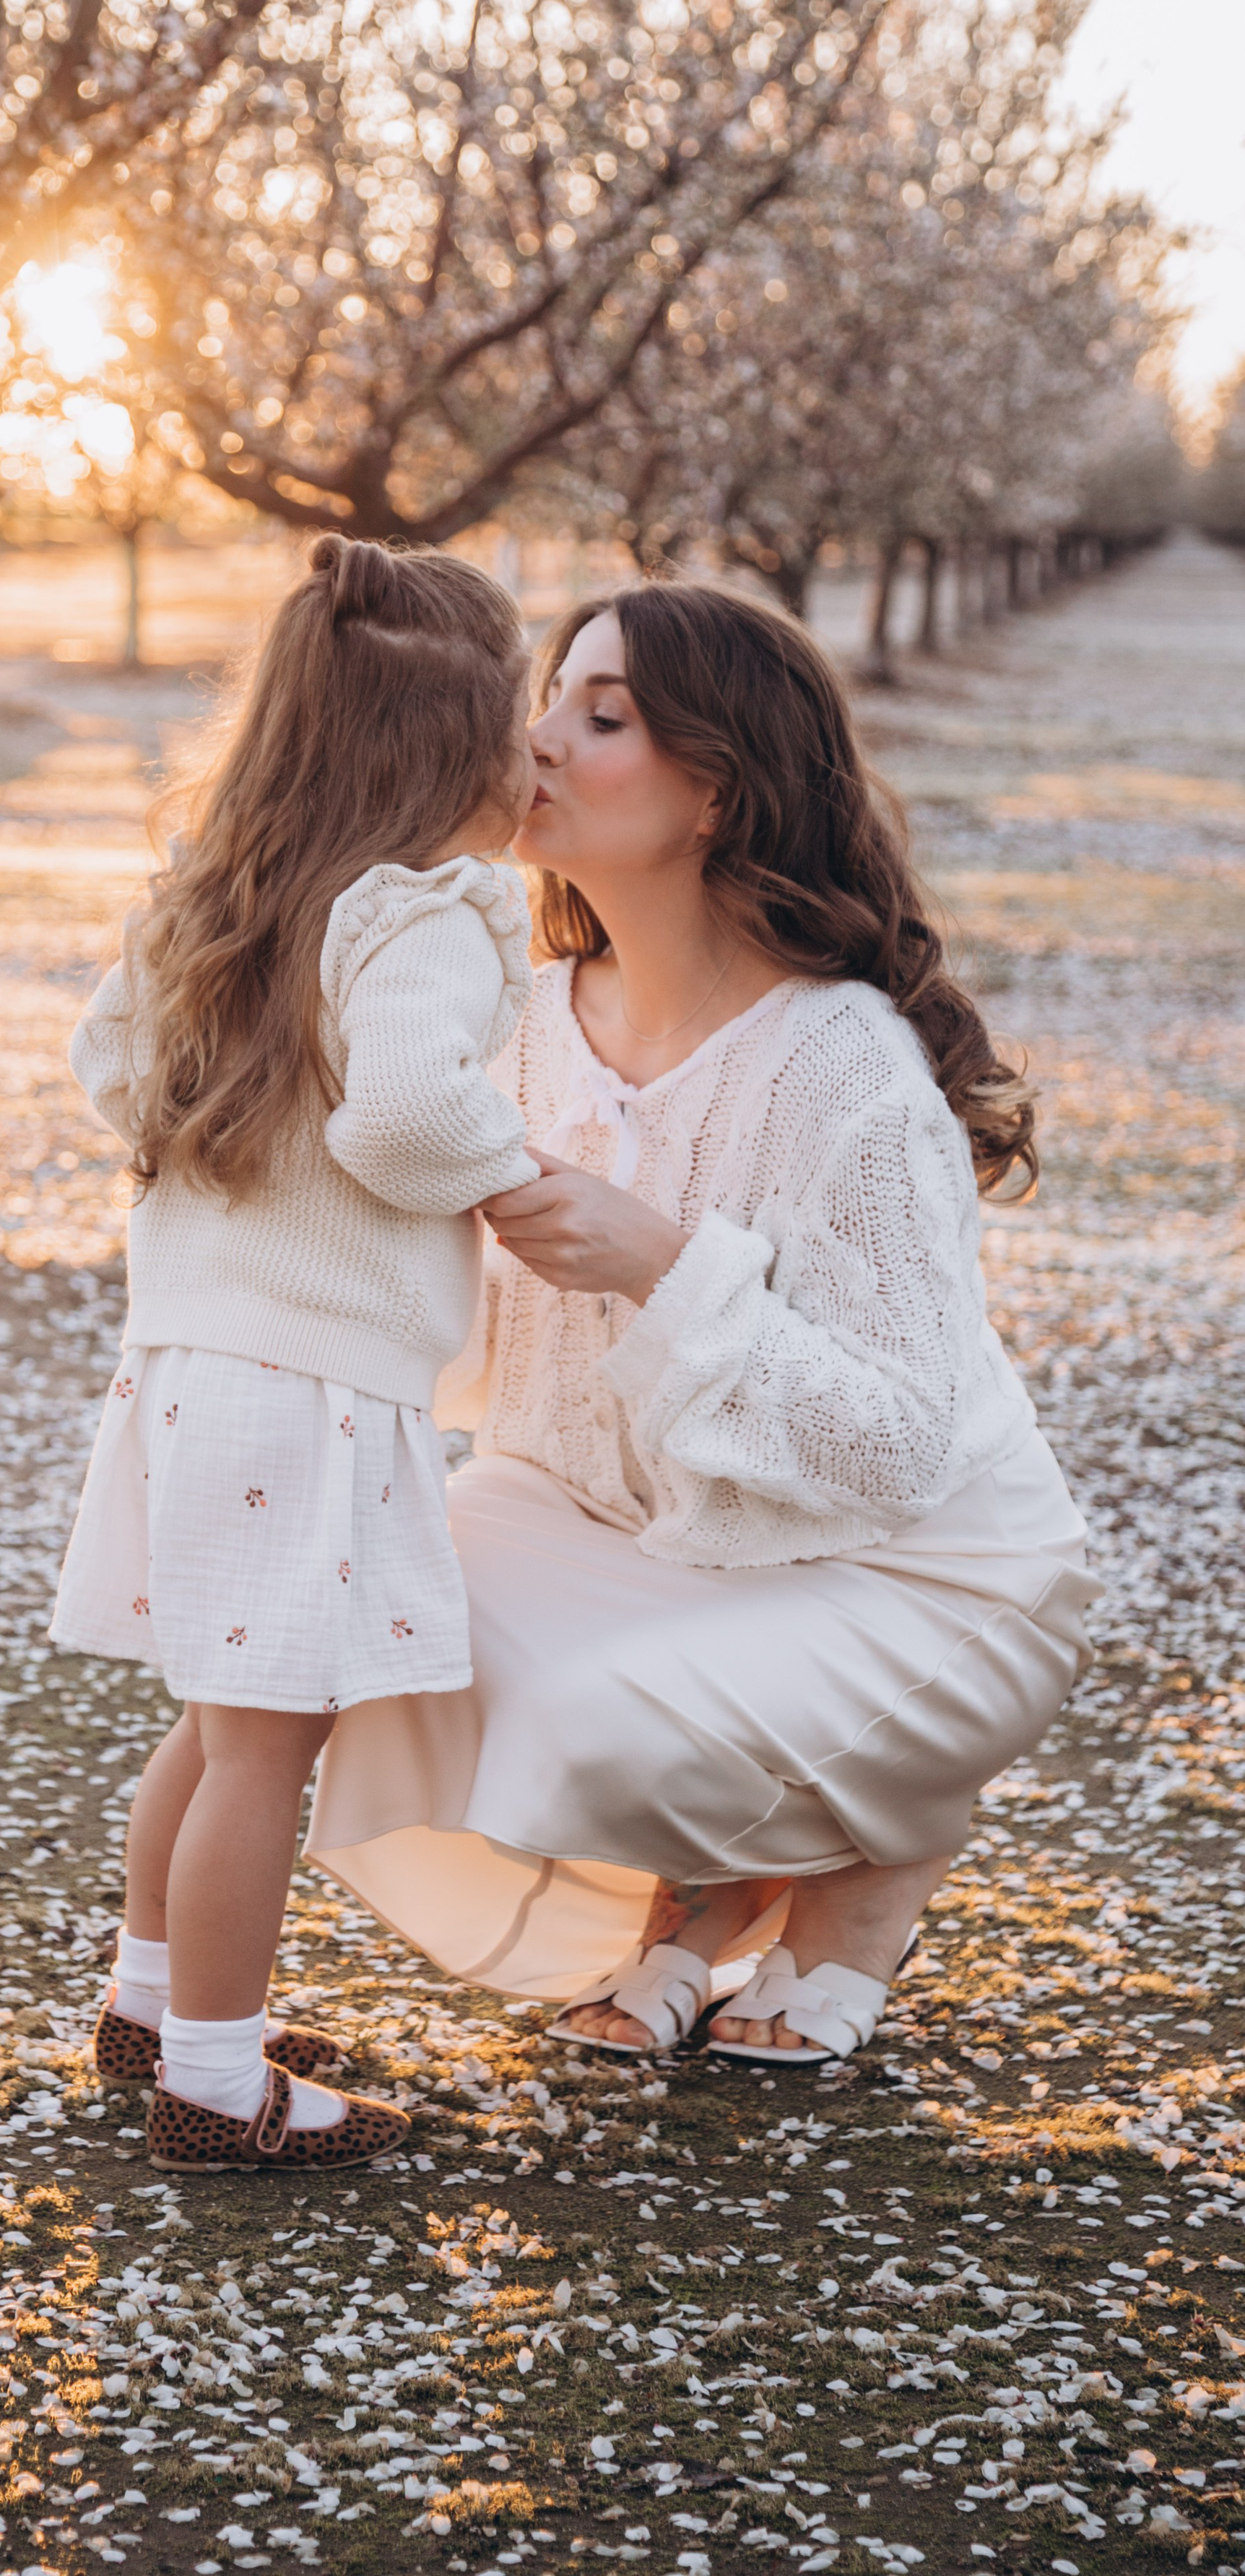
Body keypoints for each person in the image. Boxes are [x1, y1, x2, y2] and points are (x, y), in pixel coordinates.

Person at [307, 579, 1098, 2067]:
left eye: (597, 717)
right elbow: (468, 1332)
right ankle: (724, 1875)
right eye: (546, 698)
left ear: (714, 794)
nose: (533, 740)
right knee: (362, 1609)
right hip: (623, 1525)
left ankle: (874, 1857)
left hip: (915, 1569)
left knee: (589, 1726)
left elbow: (890, 1443)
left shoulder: (842, 1065)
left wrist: (662, 1265)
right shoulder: (519, 1014)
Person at [51, 533, 542, 2166]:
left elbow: (106, 1064)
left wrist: (234, 1145)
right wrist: (511, 1172)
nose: (537, 752)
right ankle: (212, 2078)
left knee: (216, 1711)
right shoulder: (422, 919)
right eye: (523, 718)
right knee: (271, 1737)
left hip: (196, 1355)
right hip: (310, 1383)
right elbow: (408, 1110)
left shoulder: (221, 890)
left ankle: (155, 1999)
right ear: (451, 751)